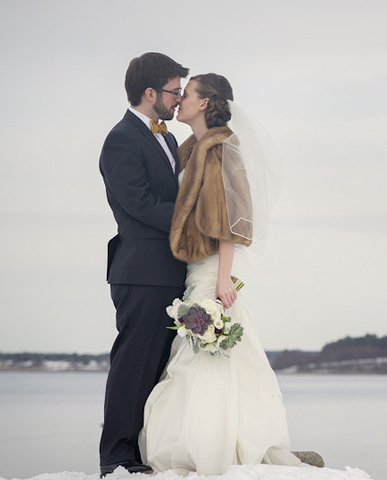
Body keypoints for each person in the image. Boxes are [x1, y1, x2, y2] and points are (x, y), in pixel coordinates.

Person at [138, 73, 301, 474]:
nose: (179, 102)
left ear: (206, 103)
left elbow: (231, 218)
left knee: (210, 354)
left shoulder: (223, 148)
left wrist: (224, 277)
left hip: (214, 267)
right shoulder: (190, 149)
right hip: (195, 266)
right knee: (201, 355)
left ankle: (214, 446)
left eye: (186, 95)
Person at [98, 53, 190, 476]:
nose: (179, 99)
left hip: (170, 270)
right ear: (150, 92)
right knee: (132, 364)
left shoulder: (168, 139)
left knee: (155, 368)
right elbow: (139, 203)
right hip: (141, 271)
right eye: (174, 91)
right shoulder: (121, 139)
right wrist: (194, 216)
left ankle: (142, 451)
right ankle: (116, 455)